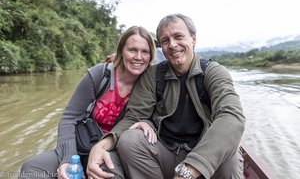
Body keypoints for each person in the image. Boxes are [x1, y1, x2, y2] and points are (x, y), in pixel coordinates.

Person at [87, 13, 246, 179]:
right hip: (165, 150)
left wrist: (189, 170)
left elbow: (231, 116)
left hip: (203, 151)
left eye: (178, 37)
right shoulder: (152, 75)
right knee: (130, 140)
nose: (172, 45)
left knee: (231, 160)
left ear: (193, 39)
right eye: (165, 41)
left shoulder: (213, 72)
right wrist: (101, 145)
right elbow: (134, 117)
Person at [19, 26, 155, 179]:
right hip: (82, 144)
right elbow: (69, 118)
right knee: (31, 168)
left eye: (145, 52)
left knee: (106, 174)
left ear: (151, 56)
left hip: (113, 150)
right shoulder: (99, 75)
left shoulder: (151, 84)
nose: (138, 57)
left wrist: (147, 123)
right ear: (121, 51)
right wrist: (67, 160)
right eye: (132, 50)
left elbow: (160, 119)